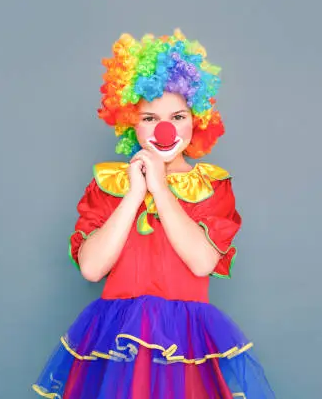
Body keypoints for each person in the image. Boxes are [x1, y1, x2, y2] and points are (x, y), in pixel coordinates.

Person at [32, 29, 277, 399]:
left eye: (177, 115)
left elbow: (201, 262)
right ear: (130, 121)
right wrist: (134, 193)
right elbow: (91, 268)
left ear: (196, 119)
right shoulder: (108, 185)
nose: (165, 128)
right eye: (149, 117)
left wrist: (160, 187)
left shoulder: (211, 186)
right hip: (117, 342)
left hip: (184, 343)